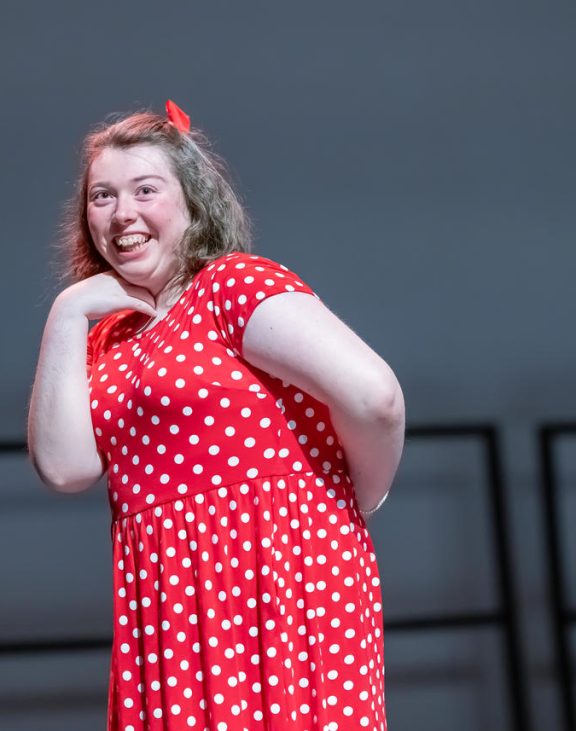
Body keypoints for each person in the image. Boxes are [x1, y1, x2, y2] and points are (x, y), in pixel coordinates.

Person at [28, 102, 405, 730]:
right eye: (102, 196)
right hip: (169, 592)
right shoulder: (109, 334)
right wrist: (66, 313)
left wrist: (354, 499)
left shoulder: (230, 285)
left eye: (145, 189)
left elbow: (375, 397)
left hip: (274, 576)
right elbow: (65, 468)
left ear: (192, 201)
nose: (123, 213)